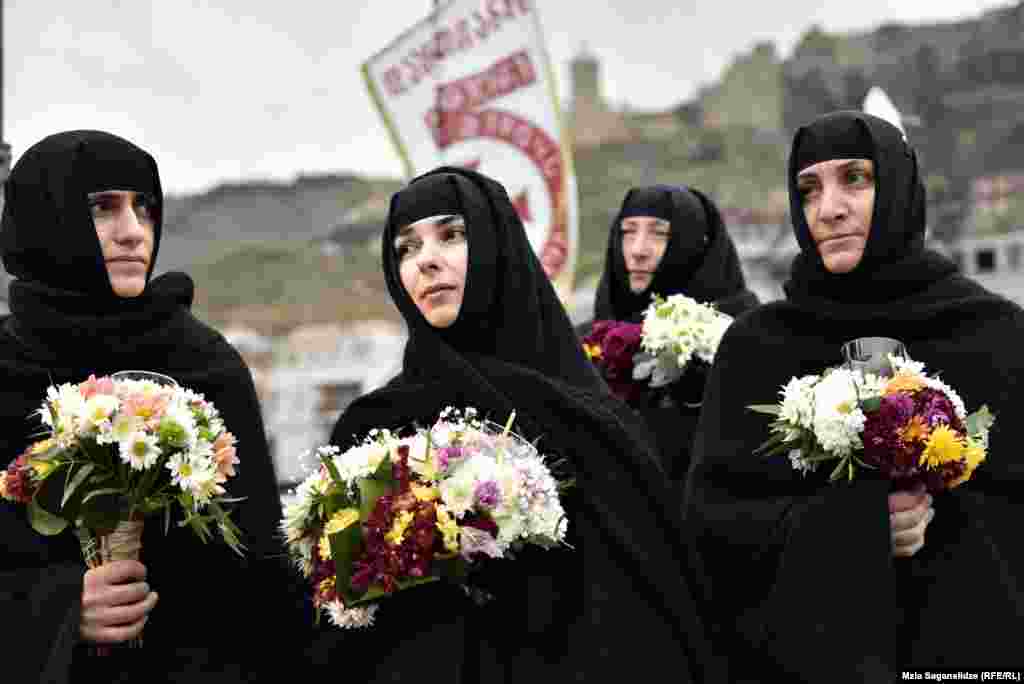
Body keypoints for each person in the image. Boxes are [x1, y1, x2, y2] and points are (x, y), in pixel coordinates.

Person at [313, 167, 721, 682]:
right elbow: (348, 627)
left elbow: (649, 607)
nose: (427, 260)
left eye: (452, 235)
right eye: (407, 248)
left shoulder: (588, 419)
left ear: (495, 245)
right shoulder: (373, 426)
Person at [683, 111, 1023, 682]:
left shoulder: (994, 333)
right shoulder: (758, 349)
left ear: (898, 188)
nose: (829, 208)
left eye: (855, 179)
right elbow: (714, 529)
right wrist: (855, 527)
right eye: (809, 189)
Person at [0, 130, 305, 683]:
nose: (133, 231)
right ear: (45, 219)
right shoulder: (6, 366)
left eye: (145, 207)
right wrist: (61, 609)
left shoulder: (204, 361)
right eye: (102, 208)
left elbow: (261, 570)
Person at [579, 185, 758, 482]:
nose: (637, 250)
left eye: (658, 233)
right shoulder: (589, 341)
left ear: (693, 242)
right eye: (628, 232)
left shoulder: (741, 333)